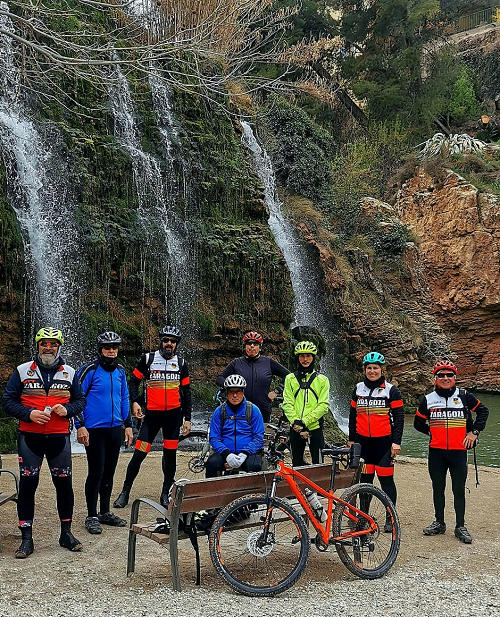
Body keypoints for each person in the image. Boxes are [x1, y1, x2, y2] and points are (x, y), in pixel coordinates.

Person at [1, 327, 86, 558]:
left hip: (59, 439)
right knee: (28, 487)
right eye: (44, 343)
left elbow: (80, 401)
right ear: (37, 345)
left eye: (53, 344)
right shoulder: (22, 371)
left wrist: (68, 409)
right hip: (30, 438)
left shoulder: (70, 372)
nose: (48, 348)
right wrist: (28, 414)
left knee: (64, 486)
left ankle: (66, 534)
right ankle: (26, 540)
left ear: (59, 347)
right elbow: (7, 401)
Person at [113, 325, 192, 508]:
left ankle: (165, 493)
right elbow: (133, 382)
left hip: (173, 418)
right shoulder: (148, 359)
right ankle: (125, 492)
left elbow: (187, 392)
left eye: (173, 341)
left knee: (170, 457)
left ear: (176, 344)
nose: (169, 344)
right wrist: (135, 402)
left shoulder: (181, 364)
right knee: (139, 455)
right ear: (161, 341)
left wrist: (187, 419)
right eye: (166, 340)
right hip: (152, 418)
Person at [414, 360, 489, 544]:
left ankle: (460, 526)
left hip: (458, 452)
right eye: (441, 375)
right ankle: (439, 523)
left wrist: (474, 432)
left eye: (449, 375)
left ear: (455, 378)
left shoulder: (464, 396)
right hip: (436, 453)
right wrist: (431, 432)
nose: (445, 378)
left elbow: (483, 411)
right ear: (435, 378)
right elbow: (417, 423)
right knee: (438, 488)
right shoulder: (428, 399)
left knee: (458, 490)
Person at [76, 332, 134, 534]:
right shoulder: (90, 370)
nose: (111, 350)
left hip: (114, 429)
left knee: (109, 472)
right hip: (94, 430)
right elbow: (76, 397)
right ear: (100, 349)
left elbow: (124, 397)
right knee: (96, 472)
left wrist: (128, 425)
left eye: (114, 347)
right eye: (107, 347)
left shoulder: (120, 371)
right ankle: (91, 515)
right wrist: (79, 425)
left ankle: (105, 512)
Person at [348, 352, 404, 531]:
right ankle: (364, 517)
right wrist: (351, 440)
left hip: (384, 445)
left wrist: (396, 442)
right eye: (369, 368)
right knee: (365, 482)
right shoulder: (358, 389)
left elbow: (399, 418)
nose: (372, 371)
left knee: (387, 482)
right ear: (364, 370)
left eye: (376, 368)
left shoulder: (391, 390)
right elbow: (352, 416)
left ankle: (390, 518)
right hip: (364, 445)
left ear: (382, 370)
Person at [215, 331, 289, 423]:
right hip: (239, 409)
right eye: (249, 343)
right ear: (245, 346)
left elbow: (289, 376)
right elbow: (219, 379)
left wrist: (276, 391)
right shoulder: (237, 363)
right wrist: (231, 387)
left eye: (255, 344)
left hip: (263, 409)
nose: (252, 346)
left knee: (262, 431)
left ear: (260, 347)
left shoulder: (268, 362)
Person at [205, 374, 265, 477]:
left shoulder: (253, 410)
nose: (235, 395)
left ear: (243, 392)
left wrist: (244, 453)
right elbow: (214, 437)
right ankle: (212, 488)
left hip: (248, 453)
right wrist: (227, 454)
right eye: (231, 392)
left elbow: (258, 437)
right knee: (211, 464)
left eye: (238, 392)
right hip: (225, 452)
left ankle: (254, 489)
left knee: (254, 466)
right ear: (227, 393)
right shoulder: (220, 411)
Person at [282, 341, 329, 467]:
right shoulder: (290, 379)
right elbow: (287, 403)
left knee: (318, 465)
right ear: (297, 358)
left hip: (315, 427)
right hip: (295, 427)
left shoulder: (322, 380)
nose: (305, 359)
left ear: (313, 358)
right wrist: (295, 421)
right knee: (296, 464)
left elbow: (323, 405)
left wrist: (304, 422)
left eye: (308, 356)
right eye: (302, 356)